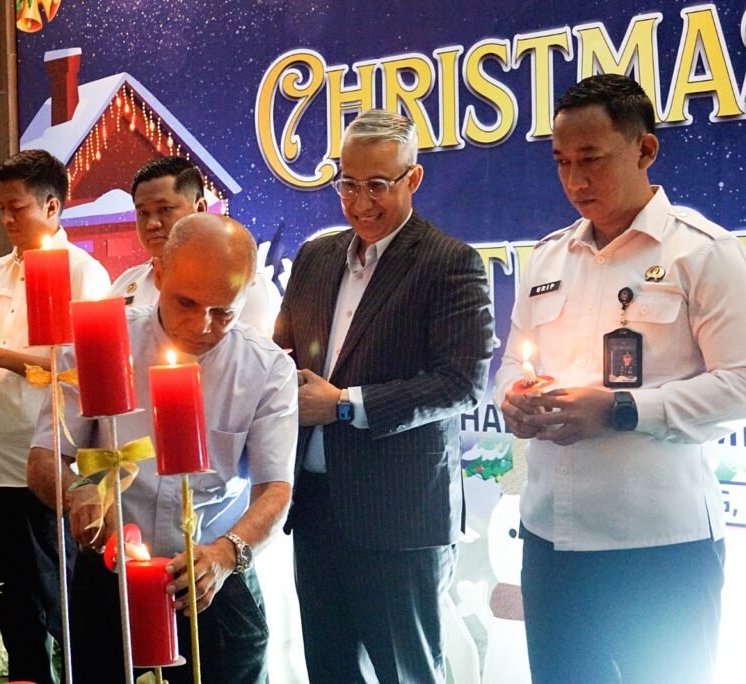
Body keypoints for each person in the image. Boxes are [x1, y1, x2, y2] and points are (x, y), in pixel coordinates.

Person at [496, 73, 746, 684]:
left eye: (592, 159)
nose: (575, 181)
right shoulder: (548, 256)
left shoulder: (702, 252)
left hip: (661, 548)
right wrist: (514, 399)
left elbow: (740, 386)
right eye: (562, 162)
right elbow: (511, 364)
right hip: (552, 542)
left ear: (645, 149)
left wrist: (620, 409)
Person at [273, 108, 494, 683]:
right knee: (329, 671)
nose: (360, 201)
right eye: (347, 184)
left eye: (377, 185)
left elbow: (461, 382)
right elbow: (281, 353)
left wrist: (345, 403)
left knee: (407, 673)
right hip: (314, 509)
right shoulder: (317, 257)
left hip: (399, 516)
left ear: (412, 178)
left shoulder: (450, 262)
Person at [27, 213, 297, 684]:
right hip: (112, 573)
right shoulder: (103, 341)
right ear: (159, 273)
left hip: (213, 577)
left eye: (223, 312)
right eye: (185, 302)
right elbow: (44, 458)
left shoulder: (266, 368)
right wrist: (77, 493)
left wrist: (226, 553)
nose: (201, 325)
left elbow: (275, 489)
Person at [0, 149, 110, 684]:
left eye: (16, 208)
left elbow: (81, 371)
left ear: (52, 206)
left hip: (42, 461)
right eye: (1, 208)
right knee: (13, 605)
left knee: (58, 601)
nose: (6, 219)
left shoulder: (84, 274)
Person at [110, 156, 280, 333]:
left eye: (165, 209)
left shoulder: (245, 287)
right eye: (143, 213)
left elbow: (245, 350)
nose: (152, 224)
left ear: (199, 209)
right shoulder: (125, 283)